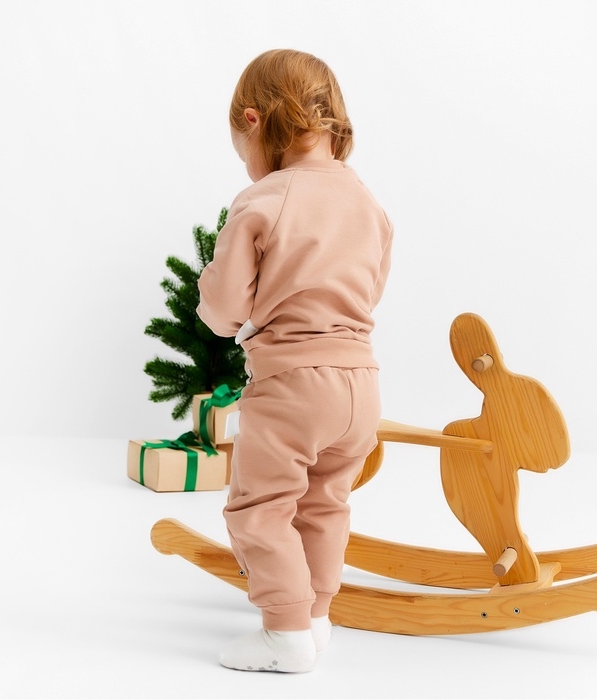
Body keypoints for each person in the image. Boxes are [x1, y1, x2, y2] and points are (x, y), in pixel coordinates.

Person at [197, 49, 393, 673]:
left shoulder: (265, 198)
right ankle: (316, 617)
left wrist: (218, 299)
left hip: (293, 386)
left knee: (261, 507)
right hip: (361, 383)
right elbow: (371, 289)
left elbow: (223, 310)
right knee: (326, 501)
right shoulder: (367, 201)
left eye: (242, 150)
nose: (246, 164)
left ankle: (284, 633)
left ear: (253, 121)